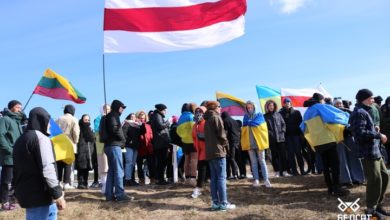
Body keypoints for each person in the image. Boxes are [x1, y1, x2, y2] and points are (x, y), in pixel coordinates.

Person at [13, 107, 66, 220]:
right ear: (42, 120)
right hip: (40, 195)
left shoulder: (20, 139)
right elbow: (47, 168)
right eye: (48, 122)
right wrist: (58, 194)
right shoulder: (41, 138)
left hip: (28, 194)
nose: (50, 126)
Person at [350, 89, 389, 219]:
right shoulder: (358, 113)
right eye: (371, 98)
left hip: (375, 150)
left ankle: (378, 205)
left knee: (384, 176)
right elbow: (359, 134)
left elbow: (366, 129)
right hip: (368, 152)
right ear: (364, 98)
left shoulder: (365, 111)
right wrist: (378, 134)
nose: (373, 100)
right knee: (375, 180)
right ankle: (371, 210)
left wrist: (374, 129)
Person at [302, 93, 349, 196]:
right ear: (320, 100)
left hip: (317, 143)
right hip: (327, 140)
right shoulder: (320, 107)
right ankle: (337, 188)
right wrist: (346, 117)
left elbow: (303, 127)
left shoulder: (307, 112)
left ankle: (330, 188)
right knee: (335, 164)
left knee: (325, 166)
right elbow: (333, 116)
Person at [204, 101, 236, 211]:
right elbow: (222, 135)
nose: (221, 108)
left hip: (210, 152)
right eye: (219, 106)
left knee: (214, 178)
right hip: (218, 151)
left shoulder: (207, 120)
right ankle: (223, 203)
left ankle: (215, 203)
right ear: (214, 108)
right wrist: (227, 146)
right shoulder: (216, 118)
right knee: (221, 178)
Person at [102, 100, 132, 201]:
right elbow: (115, 129)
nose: (123, 109)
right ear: (118, 107)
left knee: (112, 171)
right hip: (114, 146)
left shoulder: (109, 116)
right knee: (119, 170)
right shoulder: (113, 116)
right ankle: (120, 195)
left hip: (108, 146)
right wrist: (123, 140)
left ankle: (109, 196)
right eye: (122, 107)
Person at [333, 99, 364, 186]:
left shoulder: (348, 112)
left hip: (349, 137)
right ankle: (346, 180)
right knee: (343, 159)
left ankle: (357, 178)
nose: (339, 105)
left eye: (340, 103)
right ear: (333, 105)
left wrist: (350, 129)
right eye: (337, 104)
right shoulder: (331, 113)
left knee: (354, 157)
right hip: (339, 139)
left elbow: (354, 123)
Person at [241, 101, 271, 188]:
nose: (250, 109)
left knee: (262, 161)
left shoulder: (259, 115)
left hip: (259, 142)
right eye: (248, 108)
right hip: (250, 143)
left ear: (254, 107)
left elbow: (258, 124)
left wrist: (250, 122)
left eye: (251, 107)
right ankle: (256, 179)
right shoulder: (245, 116)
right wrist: (251, 122)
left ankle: (266, 179)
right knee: (253, 162)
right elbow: (245, 124)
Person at [0, 100, 23, 210]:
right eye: (18, 107)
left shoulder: (17, 121)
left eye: (21, 107)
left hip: (18, 156)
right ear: (11, 108)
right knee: (7, 181)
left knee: (16, 180)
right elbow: (0, 135)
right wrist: (9, 149)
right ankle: (4, 202)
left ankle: (13, 200)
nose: (20, 109)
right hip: (8, 156)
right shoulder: (5, 119)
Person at [279, 98, 305, 176]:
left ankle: (302, 170)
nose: (287, 103)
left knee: (298, 153)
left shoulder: (297, 112)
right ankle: (294, 171)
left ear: (291, 103)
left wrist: (301, 135)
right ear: (283, 104)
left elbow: (301, 124)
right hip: (287, 136)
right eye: (286, 102)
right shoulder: (280, 113)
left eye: (289, 102)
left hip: (296, 136)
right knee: (290, 154)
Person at [56, 104, 80, 190]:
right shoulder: (74, 119)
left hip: (58, 144)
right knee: (68, 164)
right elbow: (76, 133)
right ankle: (66, 183)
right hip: (69, 143)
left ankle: (58, 182)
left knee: (59, 164)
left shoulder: (58, 119)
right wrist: (76, 141)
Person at [264, 100, 288, 177]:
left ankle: (284, 171)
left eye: (272, 105)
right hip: (272, 139)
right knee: (274, 156)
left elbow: (283, 124)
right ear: (267, 107)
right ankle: (277, 171)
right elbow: (264, 128)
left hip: (281, 138)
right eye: (270, 106)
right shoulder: (265, 116)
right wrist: (269, 134)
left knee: (283, 155)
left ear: (274, 106)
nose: (271, 107)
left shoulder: (279, 115)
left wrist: (283, 131)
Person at [177, 103, 198, 185]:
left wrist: (184, 137)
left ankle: (187, 178)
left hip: (184, 141)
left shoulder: (180, 118)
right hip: (193, 141)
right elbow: (195, 128)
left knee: (186, 159)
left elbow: (178, 131)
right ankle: (193, 178)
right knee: (194, 159)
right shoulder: (191, 116)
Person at [150, 104, 171, 185]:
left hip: (160, 142)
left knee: (161, 162)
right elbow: (160, 126)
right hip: (160, 142)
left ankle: (160, 178)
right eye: (165, 110)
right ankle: (160, 179)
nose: (166, 112)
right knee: (162, 161)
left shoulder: (157, 115)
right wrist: (168, 122)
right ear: (161, 110)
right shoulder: (157, 116)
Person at [191, 106, 208, 198]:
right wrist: (196, 145)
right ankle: (200, 187)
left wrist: (203, 137)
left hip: (208, 150)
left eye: (201, 111)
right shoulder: (195, 125)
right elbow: (193, 137)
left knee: (203, 168)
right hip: (200, 150)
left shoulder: (206, 123)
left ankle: (199, 187)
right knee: (202, 168)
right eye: (197, 111)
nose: (198, 113)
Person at [93, 104, 110, 193]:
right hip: (101, 144)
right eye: (105, 109)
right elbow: (96, 130)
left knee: (111, 166)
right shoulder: (98, 118)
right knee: (103, 166)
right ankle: (104, 185)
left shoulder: (112, 118)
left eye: (108, 109)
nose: (106, 110)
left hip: (110, 144)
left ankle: (111, 185)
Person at [122, 113, 142, 186]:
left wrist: (141, 124)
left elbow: (142, 132)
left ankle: (131, 179)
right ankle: (127, 179)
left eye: (134, 116)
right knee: (128, 162)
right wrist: (129, 140)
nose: (133, 118)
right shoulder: (126, 124)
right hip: (128, 146)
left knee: (133, 163)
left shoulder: (137, 125)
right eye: (131, 116)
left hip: (135, 146)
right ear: (129, 117)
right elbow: (123, 134)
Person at [76, 114, 95, 189]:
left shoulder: (90, 128)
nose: (87, 121)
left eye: (88, 120)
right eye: (85, 119)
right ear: (82, 119)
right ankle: (80, 183)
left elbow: (92, 139)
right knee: (81, 167)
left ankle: (86, 183)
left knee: (86, 167)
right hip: (81, 149)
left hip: (89, 151)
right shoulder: (79, 127)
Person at [135, 111, 154, 185]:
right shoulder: (136, 125)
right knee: (139, 165)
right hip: (140, 147)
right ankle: (141, 179)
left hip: (148, 147)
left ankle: (152, 179)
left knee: (151, 164)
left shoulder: (148, 125)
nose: (142, 119)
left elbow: (151, 135)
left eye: (143, 118)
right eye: (140, 118)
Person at [221, 111, 240, 180]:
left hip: (231, 142)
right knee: (236, 158)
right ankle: (237, 174)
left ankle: (235, 174)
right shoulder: (234, 121)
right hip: (237, 141)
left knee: (231, 158)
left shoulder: (225, 121)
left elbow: (225, 133)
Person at [381, 97, 390, 165]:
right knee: (388, 149)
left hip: (385, 134)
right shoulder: (383, 109)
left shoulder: (383, 109)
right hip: (386, 134)